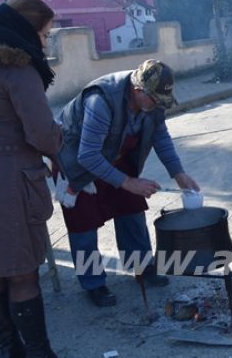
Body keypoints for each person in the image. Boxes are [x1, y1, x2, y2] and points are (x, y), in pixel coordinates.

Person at [55, 59, 200, 307]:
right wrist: (128, 182)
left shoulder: (152, 102)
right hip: (77, 160)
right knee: (83, 225)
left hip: (116, 156)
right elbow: (88, 155)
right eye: (154, 100)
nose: (157, 106)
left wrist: (178, 172)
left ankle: (142, 266)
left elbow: (160, 135)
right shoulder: (101, 100)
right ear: (137, 90)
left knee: (132, 210)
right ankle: (93, 283)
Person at [0, 0, 62, 357]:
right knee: (22, 273)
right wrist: (59, 140)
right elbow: (41, 134)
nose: (45, 41)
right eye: (45, 33)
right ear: (27, 29)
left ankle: (10, 351)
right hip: (7, 180)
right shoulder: (17, 69)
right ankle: (38, 354)